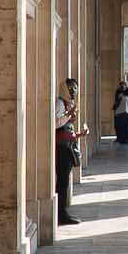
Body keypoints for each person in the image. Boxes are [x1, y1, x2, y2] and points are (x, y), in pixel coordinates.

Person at [54, 92, 80, 226]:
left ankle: (62, 212)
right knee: (62, 182)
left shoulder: (65, 103)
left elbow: (66, 127)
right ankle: (60, 214)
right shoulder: (59, 103)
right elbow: (55, 123)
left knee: (64, 182)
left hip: (67, 146)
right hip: (61, 147)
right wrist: (69, 114)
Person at [113, 75, 128, 146]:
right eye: (121, 86)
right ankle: (121, 138)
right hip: (121, 111)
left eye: (123, 86)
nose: (122, 88)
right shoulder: (118, 91)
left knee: (126, 127)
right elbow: (117, 100)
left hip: (125, 111)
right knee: (121, 126)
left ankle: (126, 139)